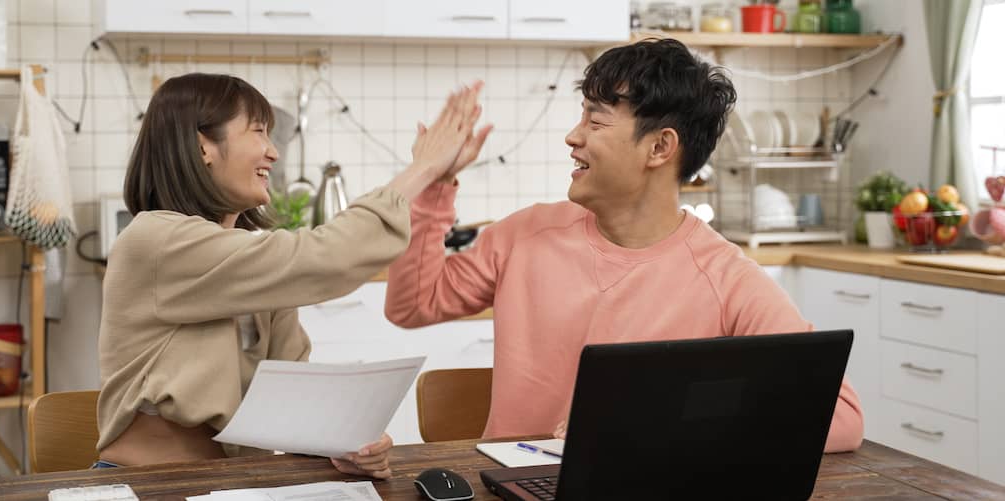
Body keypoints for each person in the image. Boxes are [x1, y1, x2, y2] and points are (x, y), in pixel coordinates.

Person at [384, 39, 863, 453]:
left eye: (595, 121)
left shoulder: (725, 277)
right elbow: (412, 305)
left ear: (659, 148)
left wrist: (664, 424)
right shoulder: (524, 237)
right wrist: (434, 182)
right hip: (509, 486)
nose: (573, 137)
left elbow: (841, 417)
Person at [96, 73, 492, 475]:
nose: (273, 152)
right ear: (203, 148)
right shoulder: (156, 241)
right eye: (258, 132)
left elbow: (295, 402)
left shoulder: (252, 263)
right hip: (145, 483)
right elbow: (329, 256)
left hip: (232, 484)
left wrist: (348, 441)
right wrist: (423, 169)